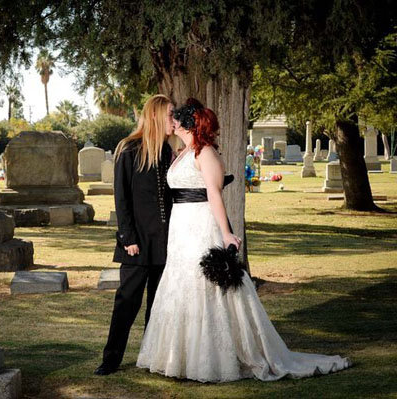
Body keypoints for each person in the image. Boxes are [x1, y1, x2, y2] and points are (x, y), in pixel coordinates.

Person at [136, 98, 351, 382]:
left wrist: (226, 233)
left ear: (189, 122)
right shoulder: (182, 152)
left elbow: (214, 194)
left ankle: (216, 357)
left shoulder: (206, 154)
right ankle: (182, 357)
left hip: (201, 224)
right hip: (181, 229)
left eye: (177, 117)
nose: (172, 120)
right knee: (181, 284)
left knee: (206, 288)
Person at [94, 94, 175, 376]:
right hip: (136, 243)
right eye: (170, 115)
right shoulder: (128, 149)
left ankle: (152, 356)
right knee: (127, 302)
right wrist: (127, 238)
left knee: (159, 303)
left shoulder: (166, 151)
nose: (173, 122)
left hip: (165, 242)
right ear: (156, 116)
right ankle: (111, 359)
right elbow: (122, 198)